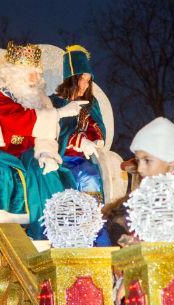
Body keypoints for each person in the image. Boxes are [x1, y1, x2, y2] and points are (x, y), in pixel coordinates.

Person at [0, 41, 80, 239]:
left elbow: (46, 133)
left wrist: (46, 152)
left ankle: (61, 231)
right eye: (29, 72)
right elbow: (16, 120)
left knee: (45, 171)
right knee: (2, 173)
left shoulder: (39, 97)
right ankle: (5, 232)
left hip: (24, 153)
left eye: (37, 72)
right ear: (14, 72)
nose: (35, 78)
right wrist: (58, 113)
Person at [49, 45, 106, 202]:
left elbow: (96, 126)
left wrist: (96, 139)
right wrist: (78, 141)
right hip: (58, 159)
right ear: (72, 79)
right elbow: (52, 131)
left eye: (88, 81)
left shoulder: (90, 104)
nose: (86, 85)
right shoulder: (53, 102)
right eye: (82, 79)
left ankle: (91, 222)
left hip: (81, 161)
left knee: (91, 177)